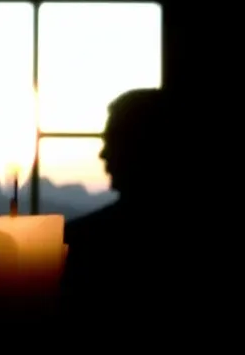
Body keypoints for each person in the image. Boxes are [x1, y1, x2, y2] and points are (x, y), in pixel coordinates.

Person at [59, 88, 180, 327]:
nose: (102, 154)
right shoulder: (73, 239)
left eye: (114, 140)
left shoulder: (76, 243)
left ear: (147, 146)